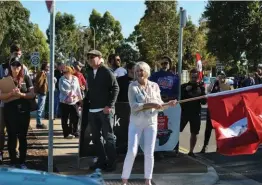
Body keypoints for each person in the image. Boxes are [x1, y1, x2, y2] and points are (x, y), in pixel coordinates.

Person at [121, 62, 177, 185]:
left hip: (151, 122)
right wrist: (151, 104)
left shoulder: (155, 86)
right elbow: (134, 107)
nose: (139, 73)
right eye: (137, 71)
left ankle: (148, 180)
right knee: (132, 151)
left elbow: (160, 105)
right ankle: (124, 180)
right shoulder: (132, 86)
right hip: (136, 123)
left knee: (149, 152)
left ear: (147, 71)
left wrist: (169, 104)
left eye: (141, 70)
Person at [86, 50, 119, 171]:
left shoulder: (106, 71)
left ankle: (112, 163)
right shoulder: (89, 72)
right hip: (93, 110)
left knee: (108, 137)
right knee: (95, 138)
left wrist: (109, 106)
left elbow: (116, 88)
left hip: (105, 111)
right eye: (89, 57)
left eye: (93, 57)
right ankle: (101, 160)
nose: (90, 59)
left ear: (100, 58)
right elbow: (91, 90)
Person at [0, 57, 35, 169]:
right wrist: (11, 93)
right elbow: (1, 96)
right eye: (14, 65)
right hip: (10, 111)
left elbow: (32, 94)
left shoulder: (26, 78)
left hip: (23, 111)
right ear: (10, 67)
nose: (16, 68)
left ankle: (22, 161)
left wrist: (21, 95)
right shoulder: (5, 79)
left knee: (23, 136)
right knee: (11, 135)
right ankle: (13, 161)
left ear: (21, 67)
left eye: (18, 65)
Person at [200, 71, 231, 153]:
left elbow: (231, 95)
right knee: (208, 128)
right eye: (219, 76)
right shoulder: (214, 84)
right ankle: (205, 146)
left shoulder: (228, 84)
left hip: (221, 110)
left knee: (219, 129)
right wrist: (214, 82)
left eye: (223, 76)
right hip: (212, 109)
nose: (221, 78)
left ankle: (219, 147)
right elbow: (208, 90)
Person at [180, 68, 206, 157]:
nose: (194, 79)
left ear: (198, 77)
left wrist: (203, 92)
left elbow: (204, 102)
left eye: (195, 77)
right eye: (192, 77)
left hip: (195, 113)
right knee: (176, 131)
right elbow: (179, 99)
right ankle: (175, 150)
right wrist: (186, 90)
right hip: (184, 113)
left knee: (194, 133)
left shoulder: (201, 87)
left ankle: (191, 151)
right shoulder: (183, 86)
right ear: (189, 76)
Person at [59, 66, 83, 139]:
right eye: (63, 72)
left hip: (74, 101)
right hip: (64, 101)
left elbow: (78, 89)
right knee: (65, 118)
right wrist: (69, 93)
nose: (64, 73)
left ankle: (75, 131)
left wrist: (80, 99)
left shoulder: (75, 78)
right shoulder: (61, 79)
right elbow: (61, 89)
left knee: (76, 116)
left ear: (70, 72)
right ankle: (66, 133)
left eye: (66, 72)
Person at [34, 62, 49, 129]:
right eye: (48, 66)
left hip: (43, 92)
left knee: (41, 108)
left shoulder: (43, 73)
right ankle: (39, 123)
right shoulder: (42, 73)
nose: (49, 67)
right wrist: (37, 92)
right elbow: (38, 83)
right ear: (45, 66)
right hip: (42, 93)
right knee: (40, 108)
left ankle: (39, 122)